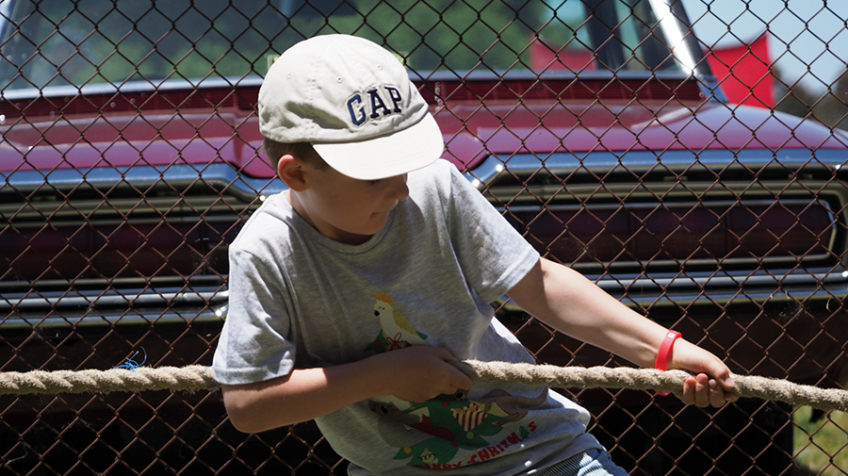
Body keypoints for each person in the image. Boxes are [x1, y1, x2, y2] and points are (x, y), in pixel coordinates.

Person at [211, 33, 738, 475]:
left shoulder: (435, 188)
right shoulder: (266, 251)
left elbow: (539, 284)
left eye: (404, 161)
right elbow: (248, 405)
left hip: (541, 454)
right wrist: (383, 375)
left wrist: (663, 351)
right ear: (297, 174)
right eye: (374, 174)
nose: (401, 188)